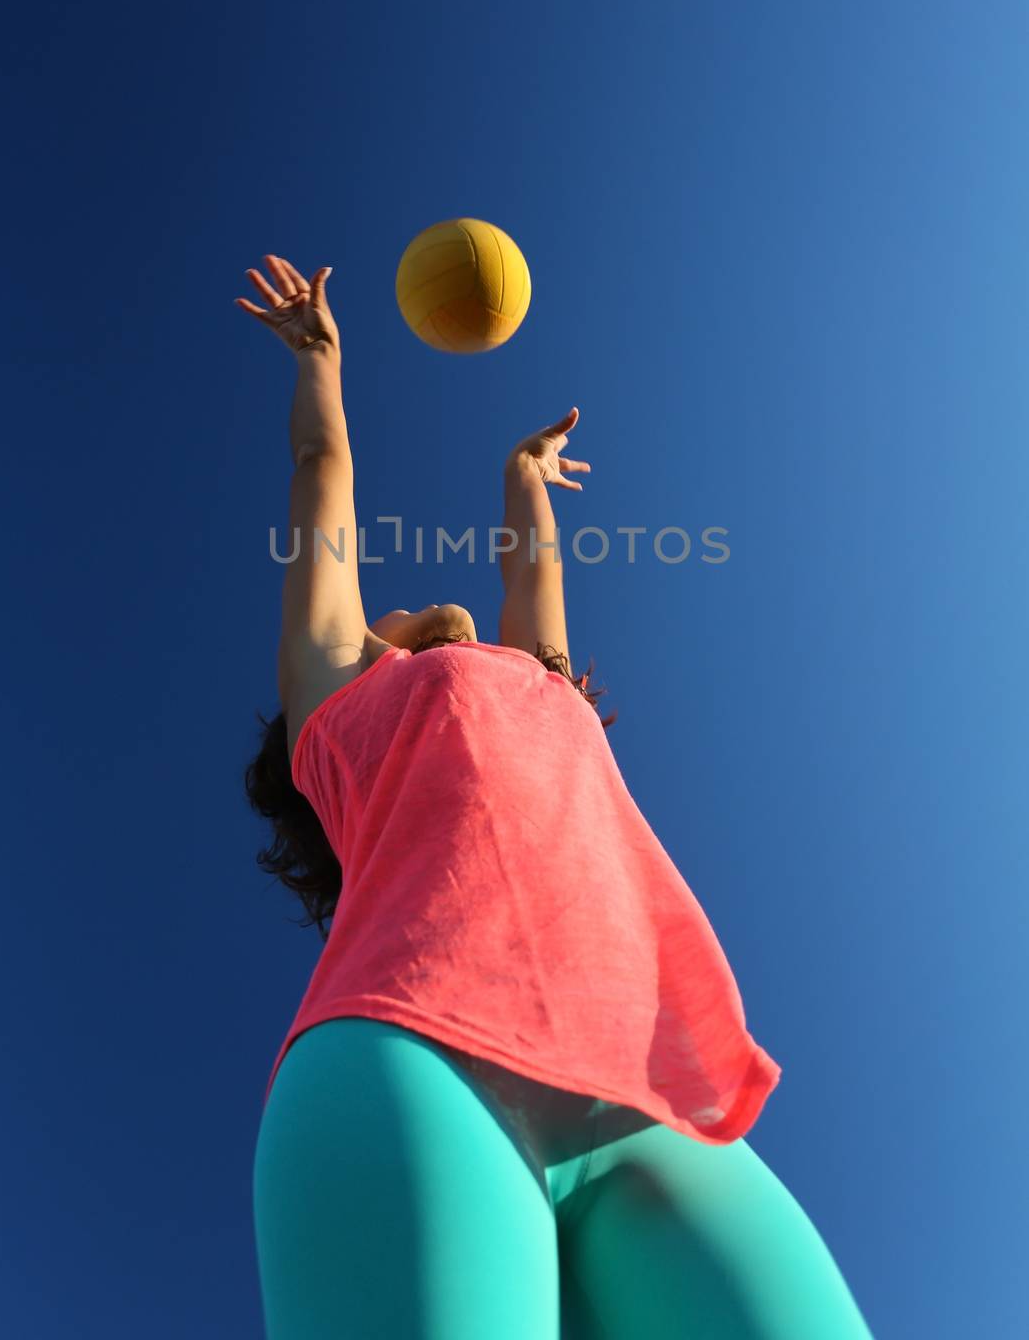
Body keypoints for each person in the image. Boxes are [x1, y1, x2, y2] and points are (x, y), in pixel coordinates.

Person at [236, 254, 876, 1339]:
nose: (389, 609)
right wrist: (318, 365)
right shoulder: (336, 702)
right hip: (413, 1061)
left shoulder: (540, 683)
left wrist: (523, 481)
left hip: (638, 1096)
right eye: (375, 610)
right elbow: (321, 472)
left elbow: (534, 579)